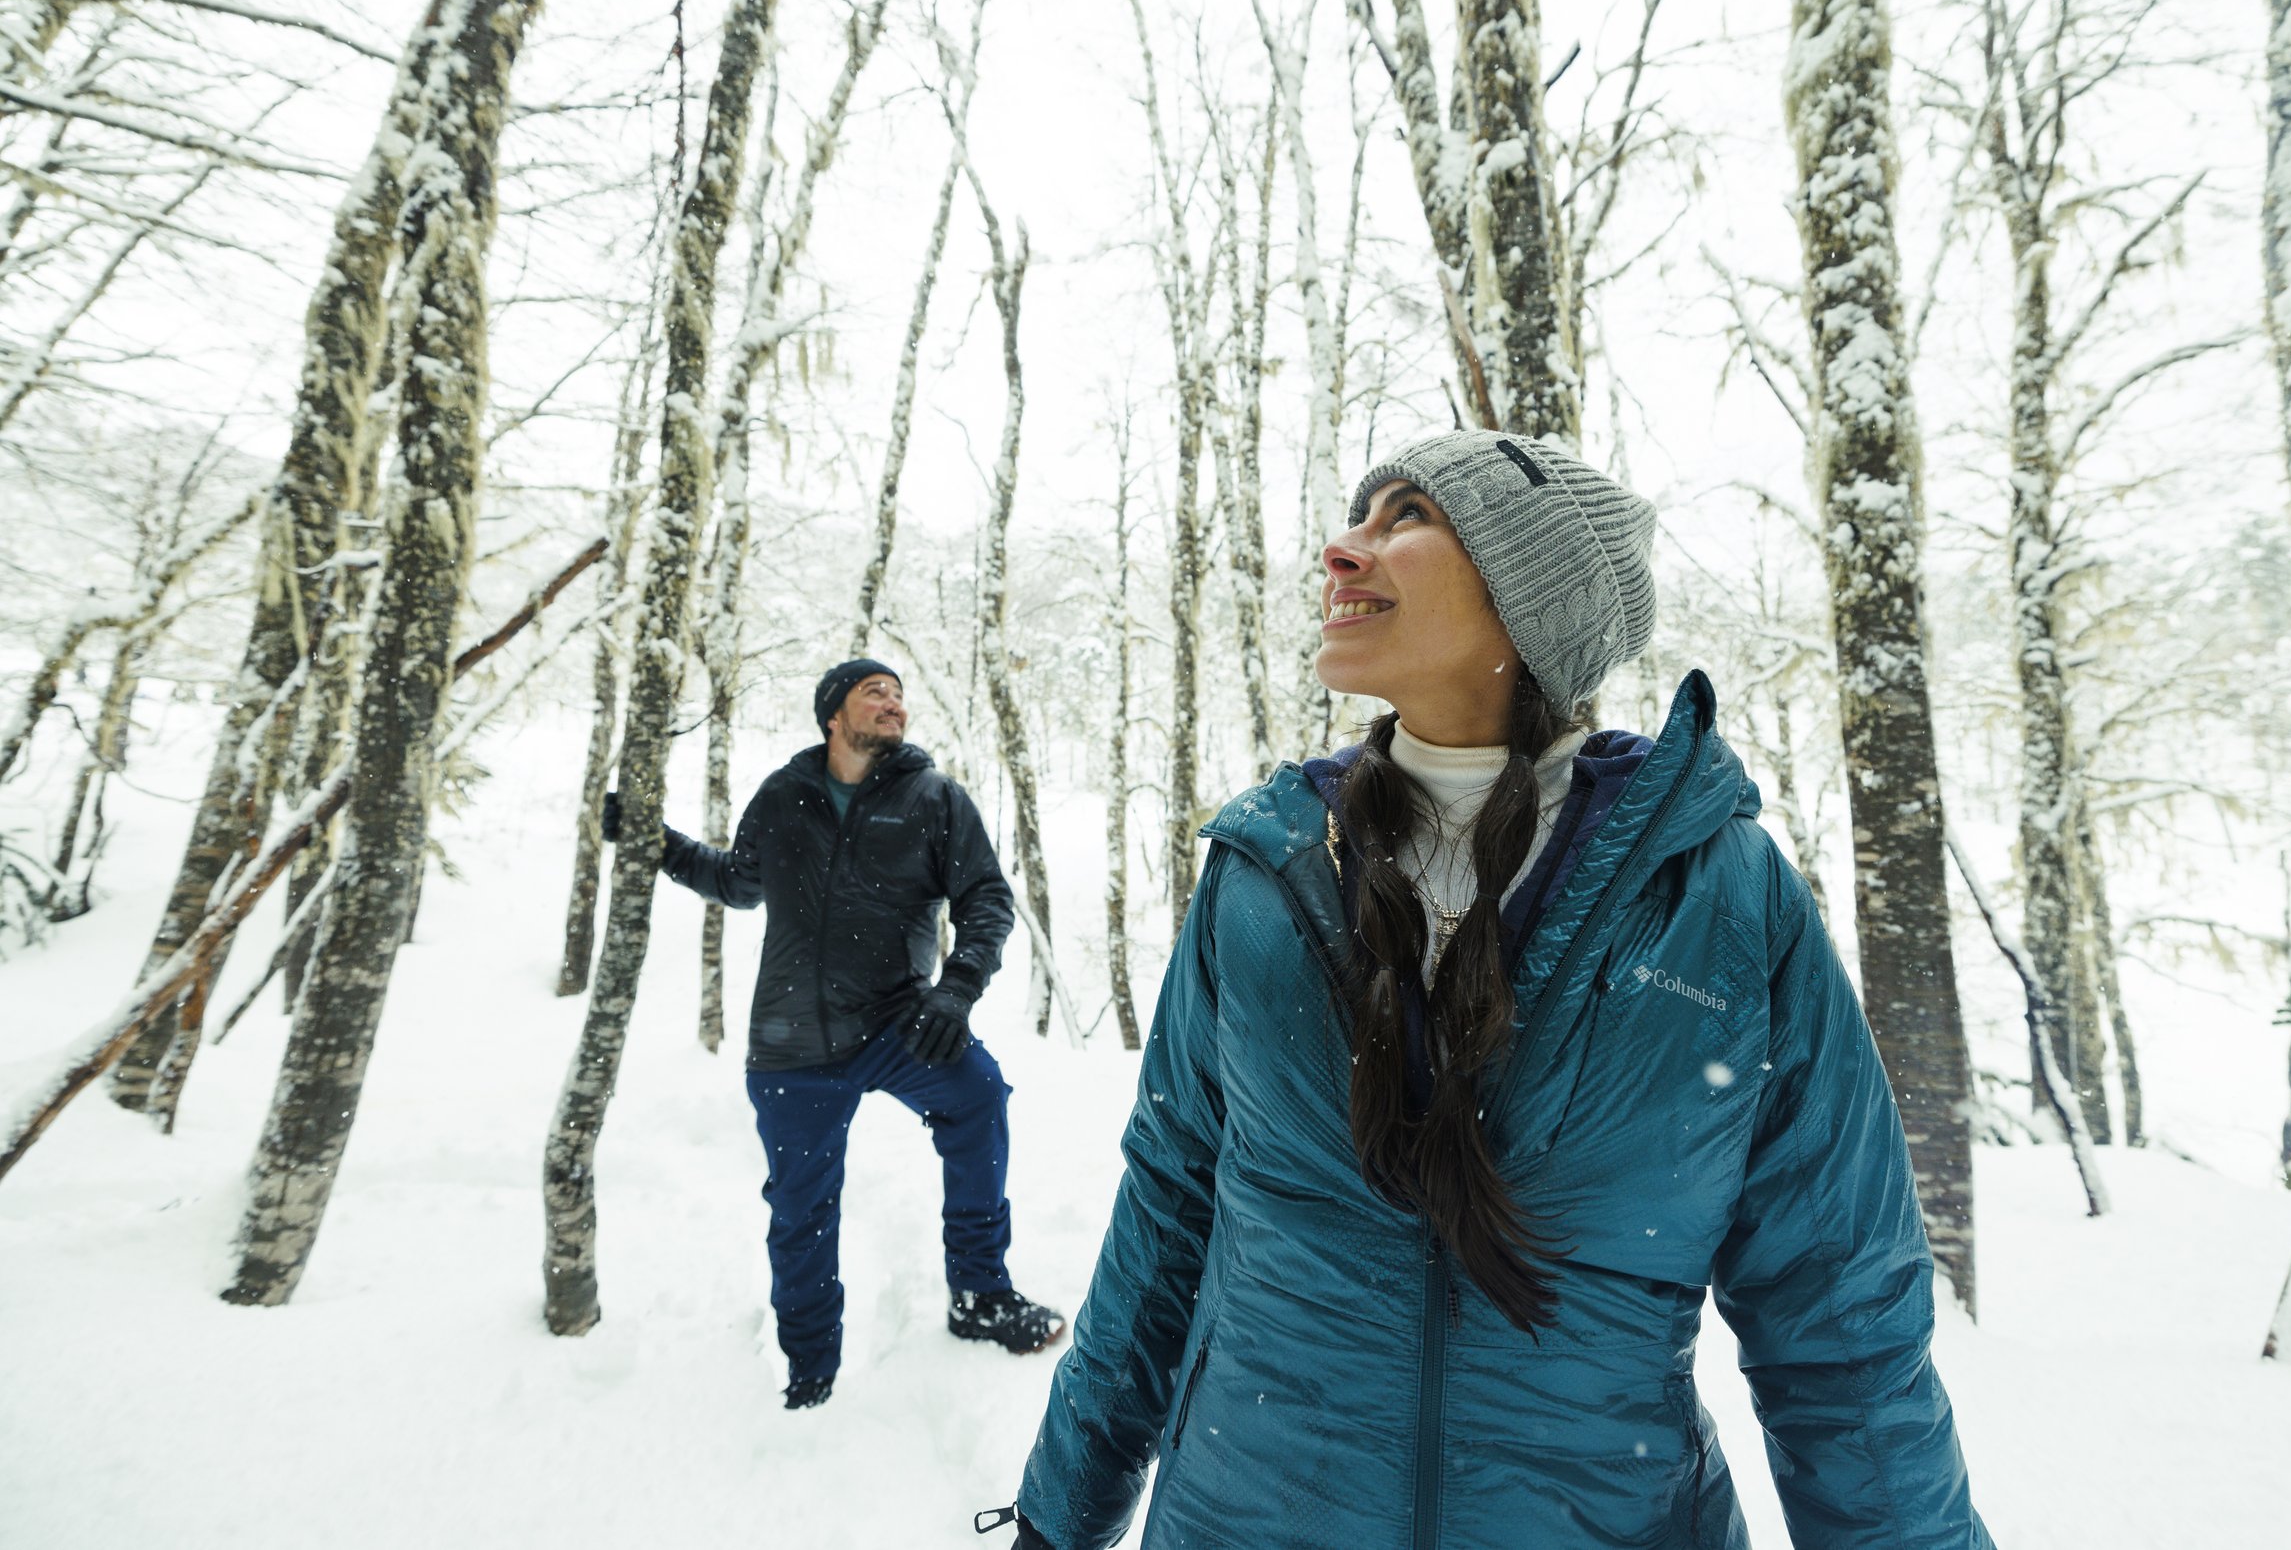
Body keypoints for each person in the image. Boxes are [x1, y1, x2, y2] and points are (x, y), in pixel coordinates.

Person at [982, 433, 1990, 1547]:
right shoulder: (1265, 873)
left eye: (1405, 516)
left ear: (1531, 598)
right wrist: (1056, 1517)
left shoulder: (1721, 901)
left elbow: (1837, 1321)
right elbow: (1168, 1216)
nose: (1341, 551)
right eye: (1355, 518)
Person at [610, 659, 1064, 1411]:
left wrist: (956, 992)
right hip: (791, 1044)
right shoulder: (785, 796)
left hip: (898, 1021)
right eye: (873, 692)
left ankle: (980, 1295)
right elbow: (737, 882)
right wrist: (653, 842)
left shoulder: (935, 799)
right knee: (801, 1210)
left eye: (898, 694)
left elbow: (986, 898)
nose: (893, 704)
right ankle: (810, 1367)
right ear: (833, 716)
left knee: (978, 1097)